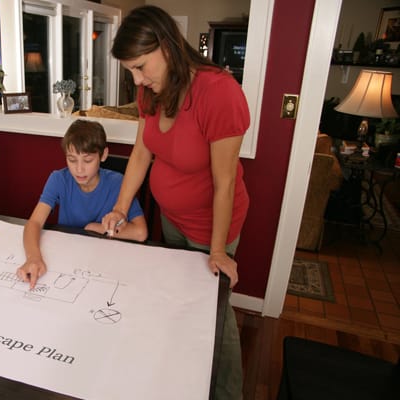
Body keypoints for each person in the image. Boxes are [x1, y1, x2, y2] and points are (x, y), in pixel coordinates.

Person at [101, 6, 250, 400]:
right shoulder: (151, 89)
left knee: (215, 315)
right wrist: (119, 207)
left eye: (139, 66)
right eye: (129, 70)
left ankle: (226, 392)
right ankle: (181, 379)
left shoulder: (219, 93)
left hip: (210, 224)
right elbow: (140, 154)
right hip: (173, 219)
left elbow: (225, 181)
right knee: (178, 303)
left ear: (166, 46)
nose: (137, 79)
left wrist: (218, 250)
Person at [17, 119, 148, 289]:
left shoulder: (119, 184)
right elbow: (34, 223)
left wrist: (97, 228)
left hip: (105, 265)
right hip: (67, 260)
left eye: (87, 161)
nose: (79, 169)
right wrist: (33, 257)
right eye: (72, 160)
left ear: (103, 155)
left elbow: (141, 232)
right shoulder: (58, 179)